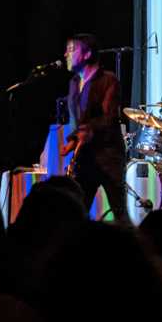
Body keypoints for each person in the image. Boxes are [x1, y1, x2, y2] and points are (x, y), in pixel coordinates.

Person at [59, 34, 129, 223]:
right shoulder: (73, 83)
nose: (66, 54)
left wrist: (86, 131)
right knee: (77, 213)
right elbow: (78, 122)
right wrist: (73, 140)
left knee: (120, 213)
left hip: (108, 156)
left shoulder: (108, 80)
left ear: (87, 54)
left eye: (72, 50)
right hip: (86, 157)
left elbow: (109, 117)